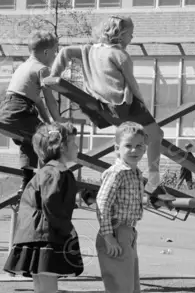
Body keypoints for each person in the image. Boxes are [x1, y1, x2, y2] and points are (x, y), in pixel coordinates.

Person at [51, 15, 164, 192]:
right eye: (131, 34)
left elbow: (64, 52)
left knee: (132, 137)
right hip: (123, 105)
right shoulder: (120, 55)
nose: (132, 39)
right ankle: (154, 179)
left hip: (103, 108)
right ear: (121, 34)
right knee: (156, 134)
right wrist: (143, 105)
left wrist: (54, 75)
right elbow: (132, 84)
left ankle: (124, 170)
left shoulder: (88, 50)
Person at [5, 122, 83, 293]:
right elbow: (52, 205)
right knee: (48, 289)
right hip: (44, 236)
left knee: (42, 288)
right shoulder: (56, 172)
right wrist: (67, 229)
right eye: (74, 143)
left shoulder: (48, 171)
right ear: (61, 146)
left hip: (35, 235)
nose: (77, 147)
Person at [78, 121, 150, 293]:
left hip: (128, 231)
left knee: (132, 287)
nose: (134, 150)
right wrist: (109, 237)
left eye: (139, 146)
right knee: (120, 287)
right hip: (116, 232)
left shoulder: (135, 173)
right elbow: (102, 203)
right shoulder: (116, 172)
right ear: (116, 148)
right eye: (128, 145)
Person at [0, 31, 61, 192]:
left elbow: (39, 102)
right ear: (46, 52)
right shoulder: (43, 69)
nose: (55, 57)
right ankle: (52, 182)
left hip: (7, 111)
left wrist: (50, 123)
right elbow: (50, 100)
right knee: (49, 140)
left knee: (30, 142)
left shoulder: (23, 67)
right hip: (21, 110)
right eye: (55, 52)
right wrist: (58, 124)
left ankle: (26, 181)